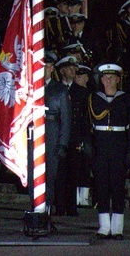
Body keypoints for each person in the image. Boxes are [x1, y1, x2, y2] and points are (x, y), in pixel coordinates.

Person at [86, 63, 130, 240]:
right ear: (101, 80)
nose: (108, 81)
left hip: (119, 144)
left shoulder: (127, 99)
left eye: (111, 78)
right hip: (100, 144)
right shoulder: (94, 98)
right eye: (105, 78)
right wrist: (88, 144)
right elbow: (87, 125)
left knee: (117, 186)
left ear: (118, 79)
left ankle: (117, 228)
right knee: (101, 186)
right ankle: (103, 226)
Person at [58, 63, 93, 214]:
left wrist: (84, 138)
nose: (73, 71)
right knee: (58, 173)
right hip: (58, 136)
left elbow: (85, 118)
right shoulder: (56, 89)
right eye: (69, 68)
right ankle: (58, 206)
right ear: (61, 71)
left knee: (73, 173)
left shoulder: (81, 92)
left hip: (74, 137)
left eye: (74, 68)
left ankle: (71, 207)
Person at [45, 56, 71, 218]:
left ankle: (46, 208)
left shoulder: (60, 89)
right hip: (33, 136)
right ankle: (35, 208)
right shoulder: (30, 88)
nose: (43, 69)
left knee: (50, 175)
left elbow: (66, 119)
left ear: (52, 68)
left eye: (47, 66)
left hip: (52, 135)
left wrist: (63, 143)